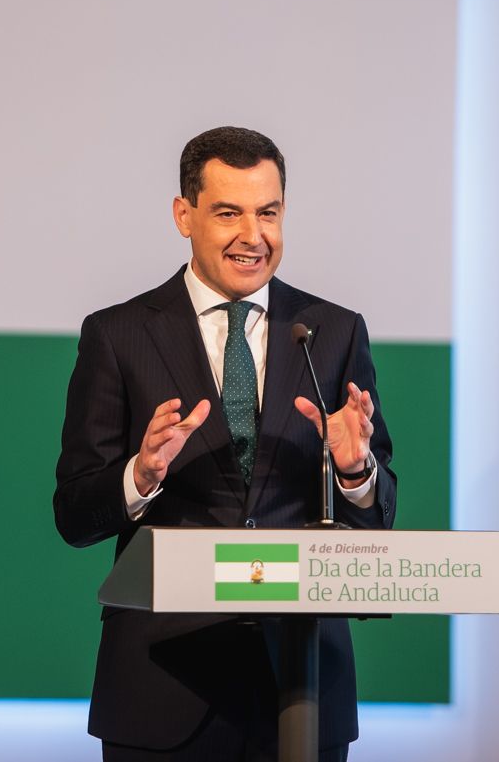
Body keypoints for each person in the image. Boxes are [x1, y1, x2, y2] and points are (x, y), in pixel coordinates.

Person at [54, 126, 397, 762]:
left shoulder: (332, 332)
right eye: (228, 213)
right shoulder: (118, 335)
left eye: (268, 212)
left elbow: (378, 514)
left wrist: (354, 471)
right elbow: (74, 515)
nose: (253, 235)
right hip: (162, 692)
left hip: (301, 691)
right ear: (184, 215)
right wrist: (141, 474)